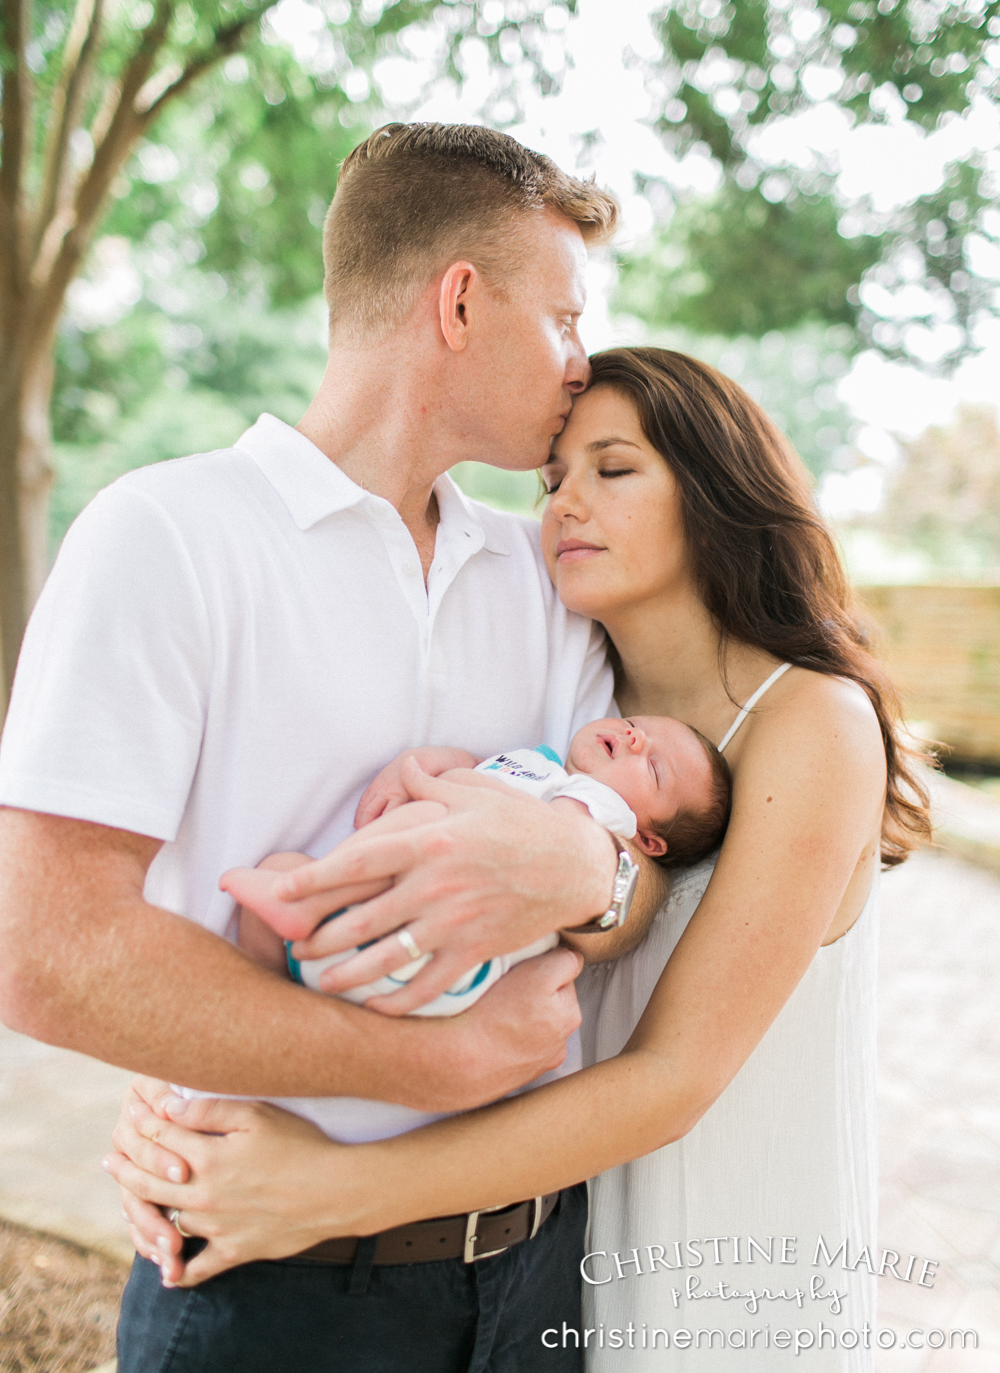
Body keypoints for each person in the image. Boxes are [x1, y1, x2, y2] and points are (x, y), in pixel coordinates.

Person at [0, 124, 676, 1373]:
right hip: (272, 1294)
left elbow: (621, 887)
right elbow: (48, 955)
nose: (582, 365)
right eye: (566, 321)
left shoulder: (536, 579)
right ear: (459, 301)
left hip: (539, 1278)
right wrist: (444, 1062)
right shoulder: (163, 536)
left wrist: (592, 873)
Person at [107, 348, 930, 1372]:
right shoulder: (590, 716)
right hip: (578, 1248)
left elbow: (674, 1078)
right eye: (551, 480)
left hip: (726, 1235)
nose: (565, 504)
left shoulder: (812, 720)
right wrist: (180, 1091)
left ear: (720, 493)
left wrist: (324, 1192)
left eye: (613, 470)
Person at [224, 712, 731, 1030]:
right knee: (279, 871)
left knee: (435, 820)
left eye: (655, 768)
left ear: (647, 840)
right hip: (386, 918)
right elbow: (471, 762)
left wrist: (443, 785)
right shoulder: (539, 764)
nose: (634, 738)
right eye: (636, 725)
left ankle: (303, 904)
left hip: (448, 948)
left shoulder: (600, 813)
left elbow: (553, 843)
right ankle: (281, 950)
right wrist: (423, 762)